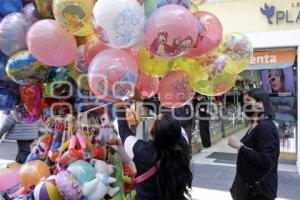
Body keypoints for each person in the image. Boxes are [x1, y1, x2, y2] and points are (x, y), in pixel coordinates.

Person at [116, 104, 193, 200]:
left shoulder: (143, 152)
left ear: (153, 135)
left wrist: (120, 108)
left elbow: (124, 133)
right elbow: (173, 126)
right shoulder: (182, 144)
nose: (154, 117)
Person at [228, 88, 280, 200]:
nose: (244, 104)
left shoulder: (266, 128)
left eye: (248, 100)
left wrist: (240, 146)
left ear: (260, 103)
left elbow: (266, 160)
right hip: (249, 188)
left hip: (259, 191)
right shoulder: (255, 123)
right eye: (244, 100)